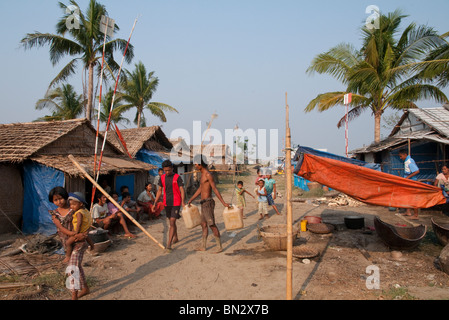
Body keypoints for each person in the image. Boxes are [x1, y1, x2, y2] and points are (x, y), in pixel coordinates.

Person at [48, 187, 90, 300]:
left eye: (60, 198)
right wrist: (75, 235)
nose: (59, 202)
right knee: (76, 266)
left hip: (79, 243)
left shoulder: (75, 209)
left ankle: (74, 296)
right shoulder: (55, 214)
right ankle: (85, 288)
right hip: (68, 243)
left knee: (72, 268)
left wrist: (83, 234)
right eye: (55, 200)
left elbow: (86, 222)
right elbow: (61, 228)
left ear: (66, 197)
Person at [187, 155, 230, 253]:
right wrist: (191, 199)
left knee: (212, 225)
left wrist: (223, 203)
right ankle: (203, 246)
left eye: (196, 164)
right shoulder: (202, 174)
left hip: (208, 203)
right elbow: (200, 189)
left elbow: (215, 189)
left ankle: (219, 247)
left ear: (201, 164)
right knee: (203, 224)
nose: (195, 166)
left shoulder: (208, 175)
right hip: (203, 203)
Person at [153, 160, 186, 251]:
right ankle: (175, 237)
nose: (167, 172)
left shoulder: (177, 177)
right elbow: (159, 191)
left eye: (169, 170)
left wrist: (183, 202)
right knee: (172, 222)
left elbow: (182, 189)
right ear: (163, 170)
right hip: (166, 203)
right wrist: (155, 202)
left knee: (172, 221)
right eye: (165, 170)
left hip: (176, 202)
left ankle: (169, 244)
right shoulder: (162, 178)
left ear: (172, 168)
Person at [65, 192, 95, 264]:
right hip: (85, 230)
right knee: (86, 236)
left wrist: (76, 232)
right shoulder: (85, 210)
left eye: (74, 205)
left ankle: (68, 256)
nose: (72, 206)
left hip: (79, 231)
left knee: (68, 242)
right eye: (71, 205)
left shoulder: (79, 213)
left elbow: (79, 223)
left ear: (81, 204)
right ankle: (92, 245)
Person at [399, 149, 420, 219]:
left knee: (413, 198)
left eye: (401, 156)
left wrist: (407, 178)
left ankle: (416, 215)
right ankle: (408, 212)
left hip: (412, 182)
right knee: (407, 197)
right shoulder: (406, 161)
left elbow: (417, 171)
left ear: (405, 155)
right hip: (408, 182)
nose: (400, 158)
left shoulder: (409, 161)